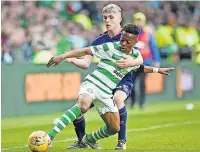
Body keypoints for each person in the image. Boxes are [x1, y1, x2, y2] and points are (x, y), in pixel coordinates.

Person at [46, 23, 174, 150]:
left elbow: (140, 67)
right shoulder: (109, 47)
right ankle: (50, 136)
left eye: (127, 41)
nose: (123, 43)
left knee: (114, 128)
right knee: (83, 105)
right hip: (93, 83)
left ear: (135, 42)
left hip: (106, 92)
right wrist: (62, 56)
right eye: (122, 39)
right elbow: (86, 50)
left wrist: (158, 70)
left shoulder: (135, 56)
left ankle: (88, 139)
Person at [130, 12, 161, 109]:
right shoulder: (129, 35)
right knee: (131, 84)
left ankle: (141, 103)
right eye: (137, 20)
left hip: (145, 62)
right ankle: (133, 101)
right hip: (132, 62)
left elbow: (154, 47)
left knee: (142, 83)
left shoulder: (148, 34)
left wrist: (156, 60)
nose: (139, 23)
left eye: (141, 21)